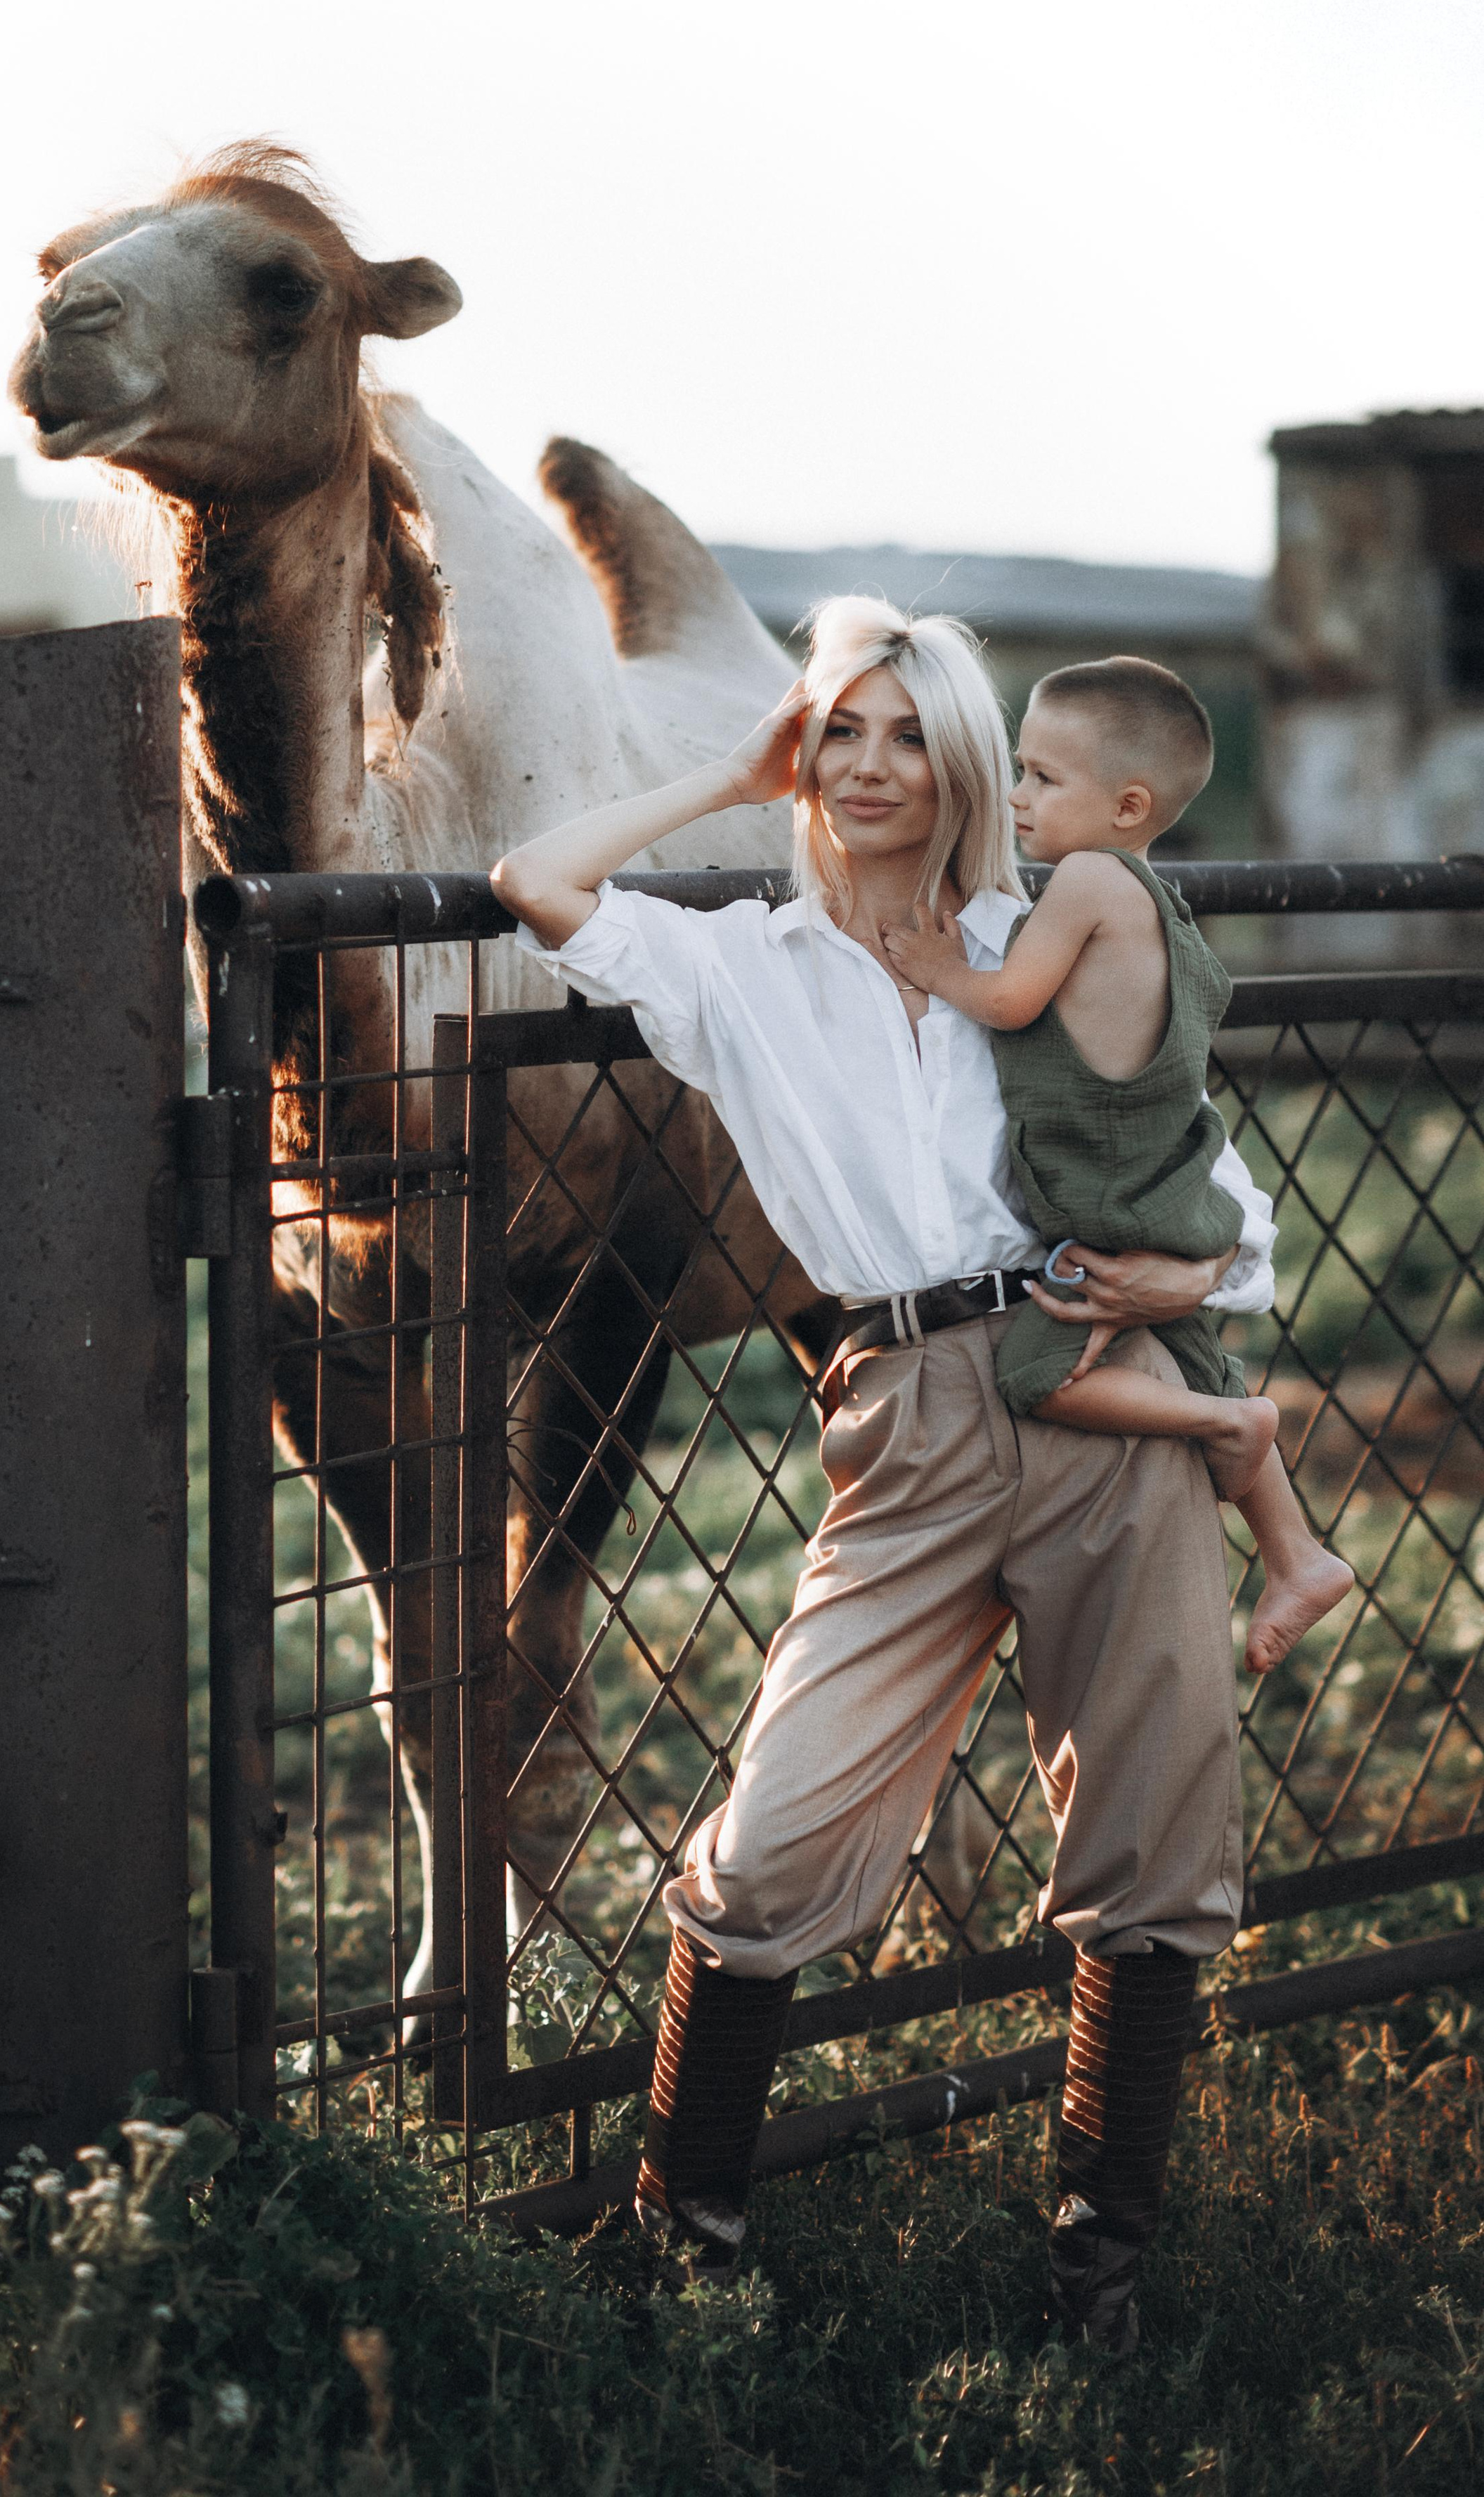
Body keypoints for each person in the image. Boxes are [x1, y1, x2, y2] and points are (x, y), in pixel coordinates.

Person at [489, 596, 1281, 2352]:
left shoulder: (1037, 938)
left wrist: (1180, 1279)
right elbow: (535, 879)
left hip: (1101, 1396)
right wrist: (727, 773)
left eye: (907, 733)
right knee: (770, 1843)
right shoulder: (739, 968)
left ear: (969, 763)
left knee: (1151, 1830)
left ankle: (1098, 2279)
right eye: (836, 731)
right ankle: (683, 2244)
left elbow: (1218, 1198)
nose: (865, 766)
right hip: (903, 1411)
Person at [878, 656, 1353, 1678]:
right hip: (1168, 1186)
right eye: (1019, 769)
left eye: (1043, 778)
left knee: (1037, 1375)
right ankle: (1297, 1555)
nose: (1017, 795)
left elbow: (1012, 1000)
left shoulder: (1090, 881)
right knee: (1200, 1348)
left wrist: (938, 967)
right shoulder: (1158, 901)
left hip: (1118, 1205)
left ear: (1128, 806)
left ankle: (1225, 1423)